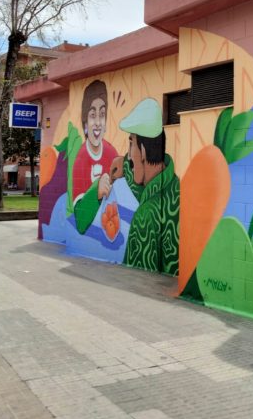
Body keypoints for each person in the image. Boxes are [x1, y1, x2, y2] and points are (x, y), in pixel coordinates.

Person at [106, 98, 180, 276]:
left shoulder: (144, 217)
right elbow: (144, 189)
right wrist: (124, 165)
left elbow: (134, 274)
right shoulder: (173, 185)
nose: (130, 156)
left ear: (144, 151)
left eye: (131, 143)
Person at [72, 80, 118, 233]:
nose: (98, 122)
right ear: (85, 121)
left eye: (102, 114)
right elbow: (80, 221)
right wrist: (96, 192)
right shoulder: (80, 158)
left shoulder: (112, 153)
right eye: (93, 115)